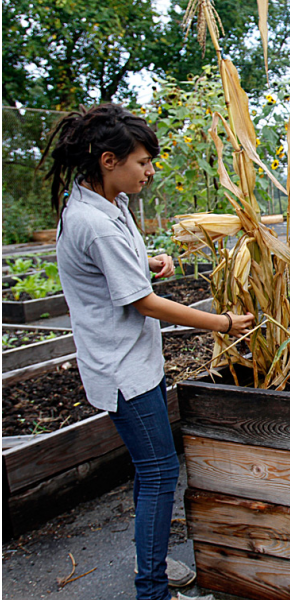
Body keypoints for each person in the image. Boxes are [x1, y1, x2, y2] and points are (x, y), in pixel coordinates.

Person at [40, 103, 254, 600]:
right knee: (159, 473)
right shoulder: (93, 222)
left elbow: (123, 273)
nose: (150, 171)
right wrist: (221, 322)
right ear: (109, 160)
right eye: (142, 162)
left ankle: (150, 562)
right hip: (123, 371)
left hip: (136, 363)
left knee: (150, 470)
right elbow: (141, 302)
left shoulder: (109, 203)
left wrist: (149, 259)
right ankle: (153, 590)